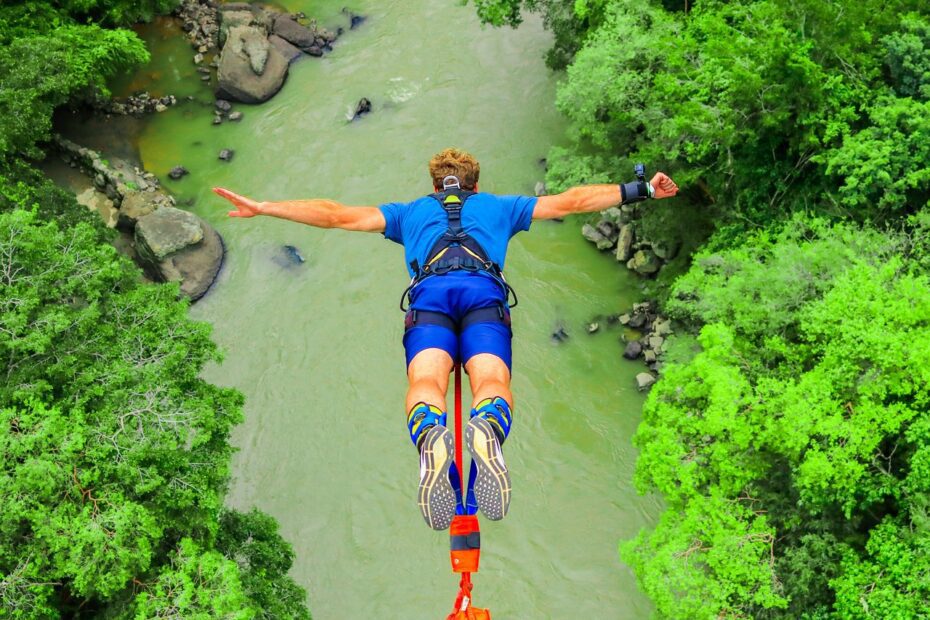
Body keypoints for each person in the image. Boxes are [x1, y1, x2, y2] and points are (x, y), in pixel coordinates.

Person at [213, 148, 678, 530]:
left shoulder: (407, 213)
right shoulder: (501, 207)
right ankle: (488, 429)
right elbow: (572, 201)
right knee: (491, 378)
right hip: (483, 297)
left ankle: (430, 434)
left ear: (436, 186)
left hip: (430, 299)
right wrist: (638, 189)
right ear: (476, 183)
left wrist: (264, 207)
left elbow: (335, 215)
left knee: (427, 383)